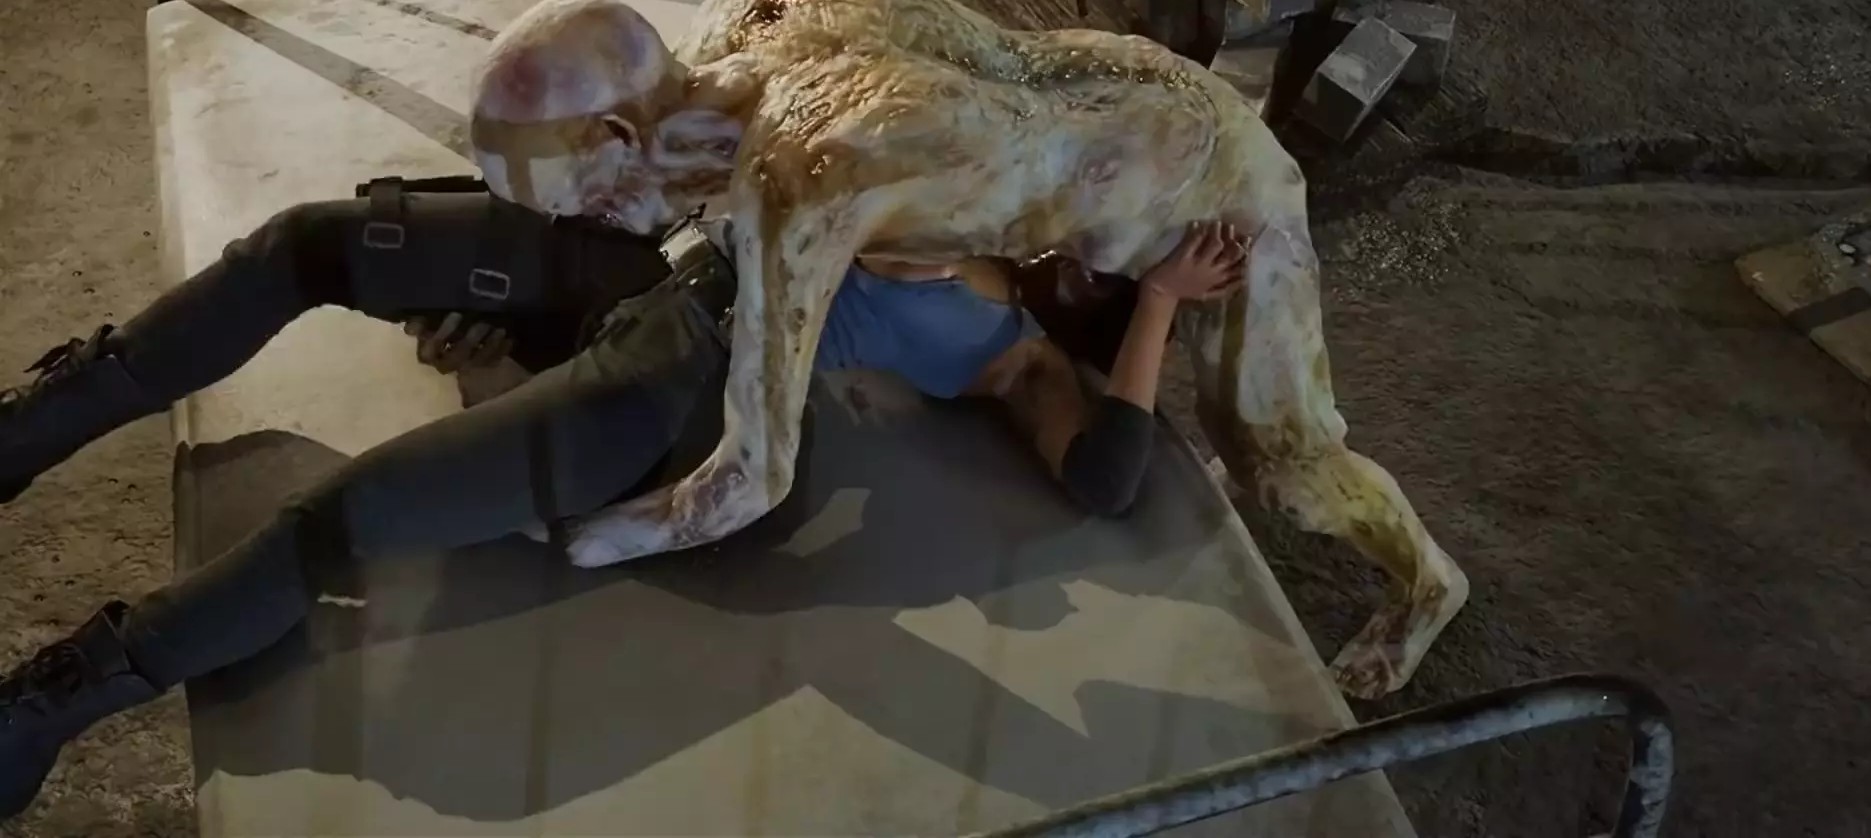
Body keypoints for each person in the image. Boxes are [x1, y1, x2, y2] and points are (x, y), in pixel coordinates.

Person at [0, 173, 1246, 819]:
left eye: (1136, 249)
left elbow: (1108, 477)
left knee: (344, 519)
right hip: (643, 257)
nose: (1103, 232)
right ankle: (25, 433)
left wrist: (1161, 306)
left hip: (690, 375)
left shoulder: (1020, 358)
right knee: (309, 243)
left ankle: (58, 701)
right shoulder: (981, 179)